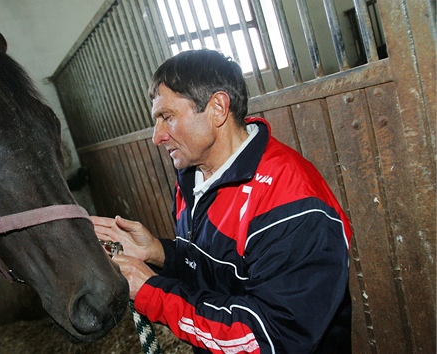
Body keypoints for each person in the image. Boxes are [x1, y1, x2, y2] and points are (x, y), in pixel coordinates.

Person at [91, 49, 352, 353]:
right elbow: (220, 272)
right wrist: (159, 253)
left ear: (217, 108)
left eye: (167, 117)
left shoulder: (292, 202)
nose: (156, 136)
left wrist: (152, 292)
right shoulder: (193, 177)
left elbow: (271, 337)